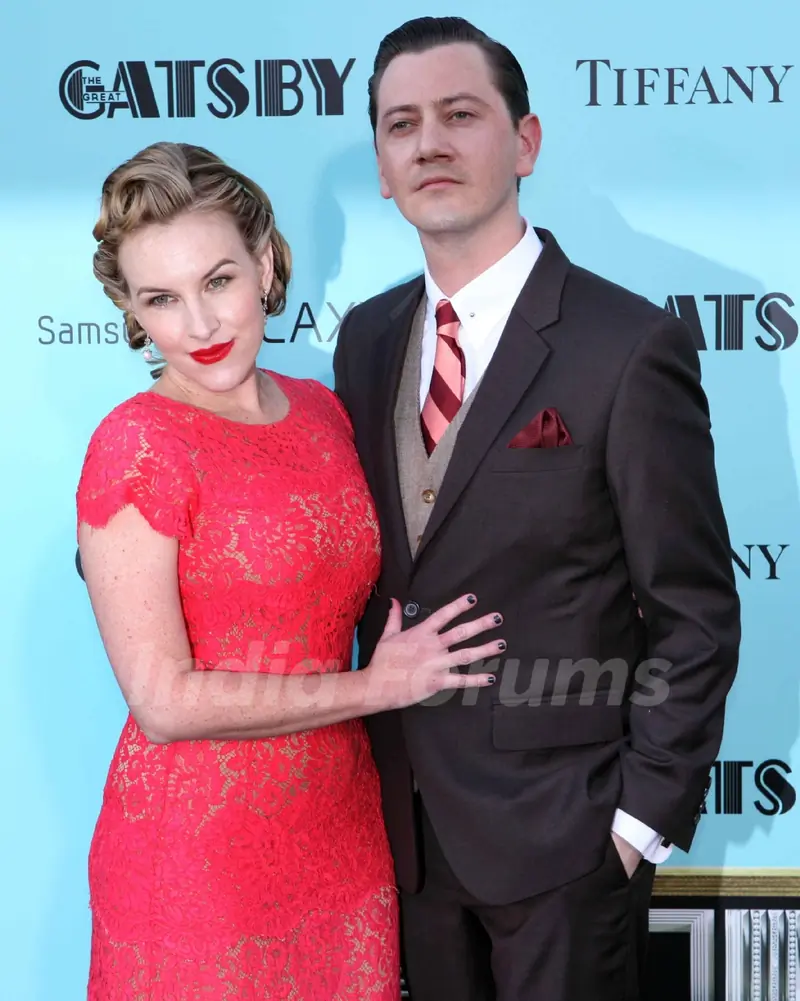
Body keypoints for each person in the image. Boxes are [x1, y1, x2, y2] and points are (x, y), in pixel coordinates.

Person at [332, 17, 741, 1001]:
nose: (429, 142)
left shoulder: (625, 345)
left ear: (524, 143)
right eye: (400, 125)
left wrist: (634, 822)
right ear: (381, 168)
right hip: (405, 843)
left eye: (459, 115)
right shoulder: (365, 339)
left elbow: (692, 608)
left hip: (566, 849)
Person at [75, 140, 505, 1000]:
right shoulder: (136, 446)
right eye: (162, 299)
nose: (200, 325)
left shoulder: (322, 412)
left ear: (265, 262)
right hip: (198, 861)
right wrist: (376, 688)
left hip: (345, 835)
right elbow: (162, 701)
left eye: (219, 281)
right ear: (132, 310)